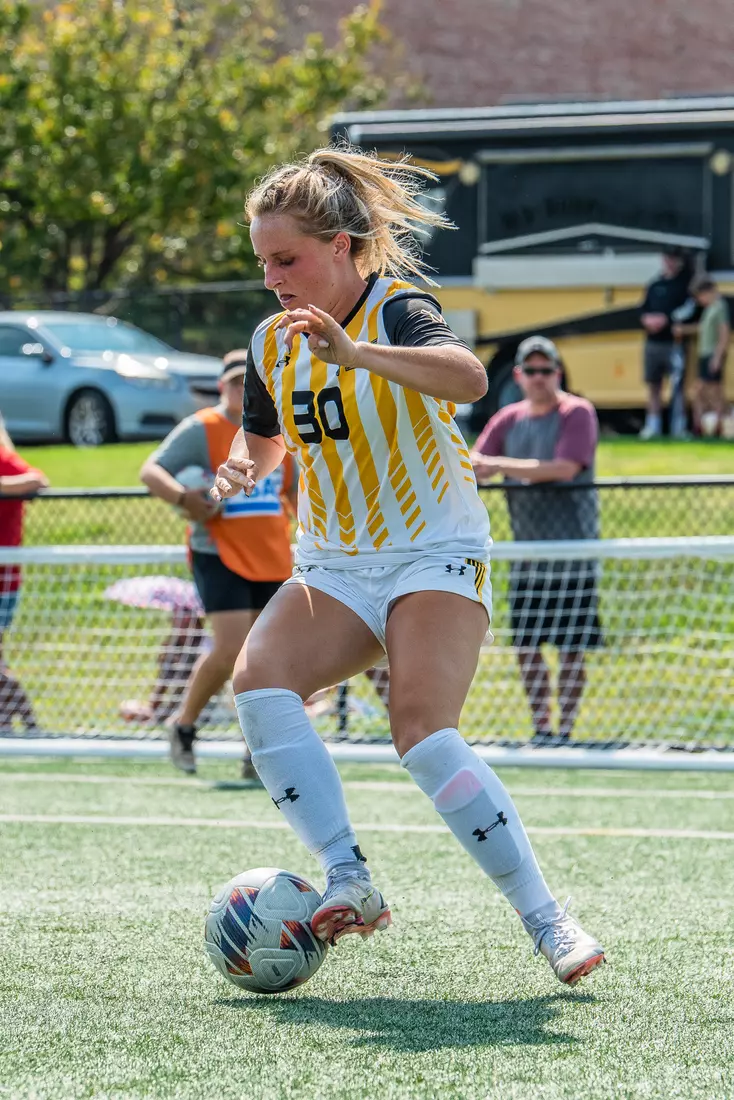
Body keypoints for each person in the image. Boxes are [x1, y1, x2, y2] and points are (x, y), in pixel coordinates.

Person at [211, 146, 605, 985]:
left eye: (287, 259)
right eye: (263, 263)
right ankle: (349, 876)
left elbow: (466, 378)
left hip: (433, 550)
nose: (273, 278)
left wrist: (355, 355)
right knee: (258, 682)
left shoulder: (395, 306)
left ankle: (548, 921)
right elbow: (268, 428)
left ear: (344, 248)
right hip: (335, 563)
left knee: (420, 730)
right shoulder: (269, 341)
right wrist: (249, 462)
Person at [141, 352, 296, 776]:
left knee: (265, 653)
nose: (239, 390)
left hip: (272, 553)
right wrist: (182, 497)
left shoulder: (281, 427)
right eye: (232, 383)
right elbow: (151, 470)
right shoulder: (203, 427)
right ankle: (184, 724)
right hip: (219, 550)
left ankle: (256, 749)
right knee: (231, 648)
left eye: (245, 381)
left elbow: (294, 492)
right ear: (221, 387)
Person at [471, 336, 602, 744]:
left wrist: (499, 466)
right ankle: (542, 727)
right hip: (529, 557)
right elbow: (474, 463)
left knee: (571, 648)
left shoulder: (577, 412)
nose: (540, 378)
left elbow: (564, 468)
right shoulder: (508, 418)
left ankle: (567, 727)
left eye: (547, 370)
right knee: (526, 646)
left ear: (558, 373)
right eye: (532, 371)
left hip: (573, 554)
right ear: (518, 376)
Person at [0, 415, 49, 732]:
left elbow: (38, 479)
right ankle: (11, 718)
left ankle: (25, 718)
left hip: (3, 581)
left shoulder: (4, 459)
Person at [639, 247, 693, 440]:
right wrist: (648, 320)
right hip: (652, 343)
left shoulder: (685, 285)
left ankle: (678, 427)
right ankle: (652, 426)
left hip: (674, 344)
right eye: (667, 258)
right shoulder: (654, 285)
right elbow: (643, 310)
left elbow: (688, 310)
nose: (670, 262)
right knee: (653, 386)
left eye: (673, 259)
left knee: (677, 387)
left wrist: (666, 319)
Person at [675, 274, 730, 436]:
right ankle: (701, 425)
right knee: (702, 391)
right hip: (704, 354)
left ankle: (716, 425)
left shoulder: (720, 307)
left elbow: (724, 333)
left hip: (712, 354)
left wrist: (717, 357)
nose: (699, 300)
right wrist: (684, 330)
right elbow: (702, 329)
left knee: (713, 391)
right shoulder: (709, 309)